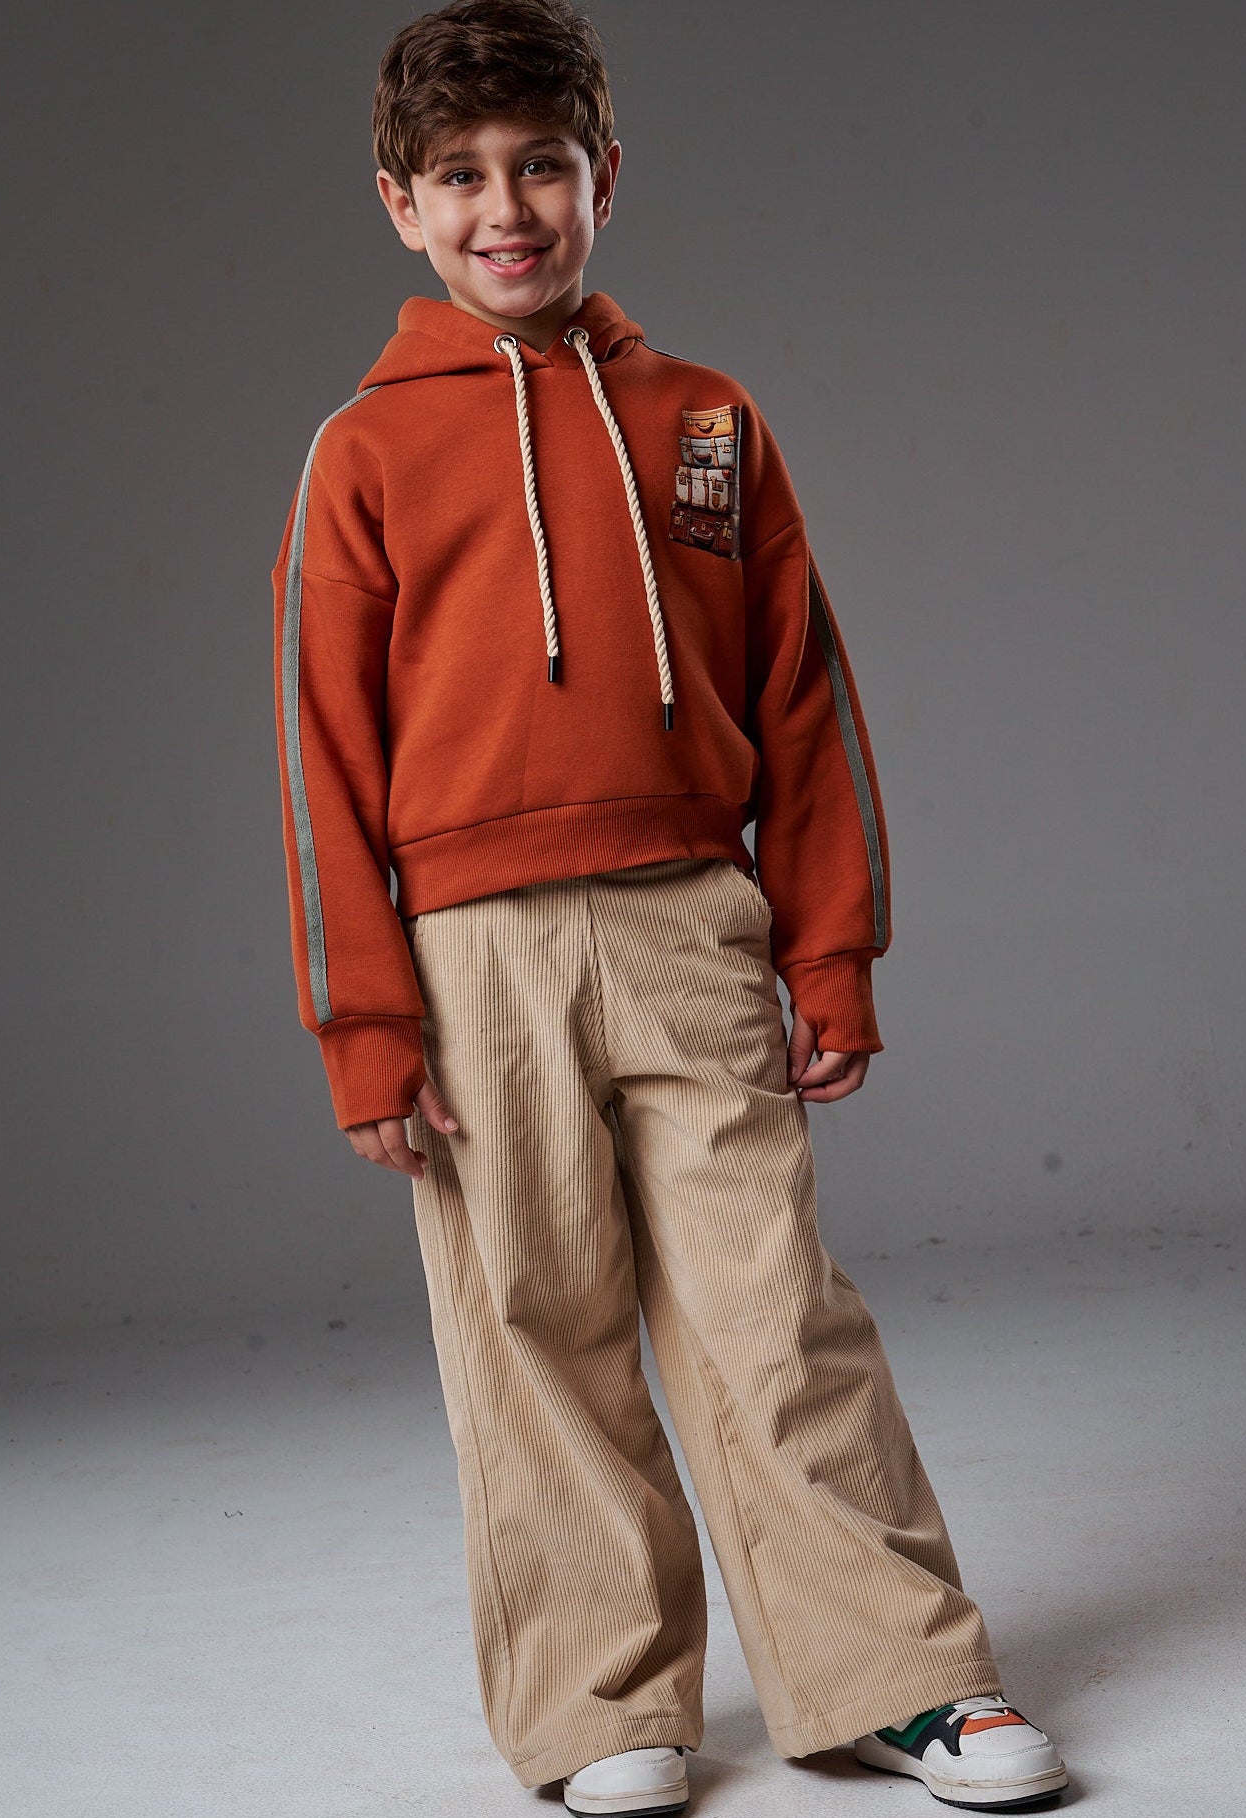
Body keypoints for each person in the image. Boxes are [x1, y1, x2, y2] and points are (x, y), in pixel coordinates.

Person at [269, 2, 1070, 1811]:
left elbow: (803, 700)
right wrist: (365, 1022)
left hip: (692, 924)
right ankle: (602, 1705)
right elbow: (318, 759)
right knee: (533, 1330)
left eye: (541, 166)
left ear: (604, 177)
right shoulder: (361, 454)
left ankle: (900, 1679)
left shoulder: (706, 420)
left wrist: (828, 946)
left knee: (773, 1309)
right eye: (461, 177)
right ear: (400, 204)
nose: (506, 209)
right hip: (471, 960)